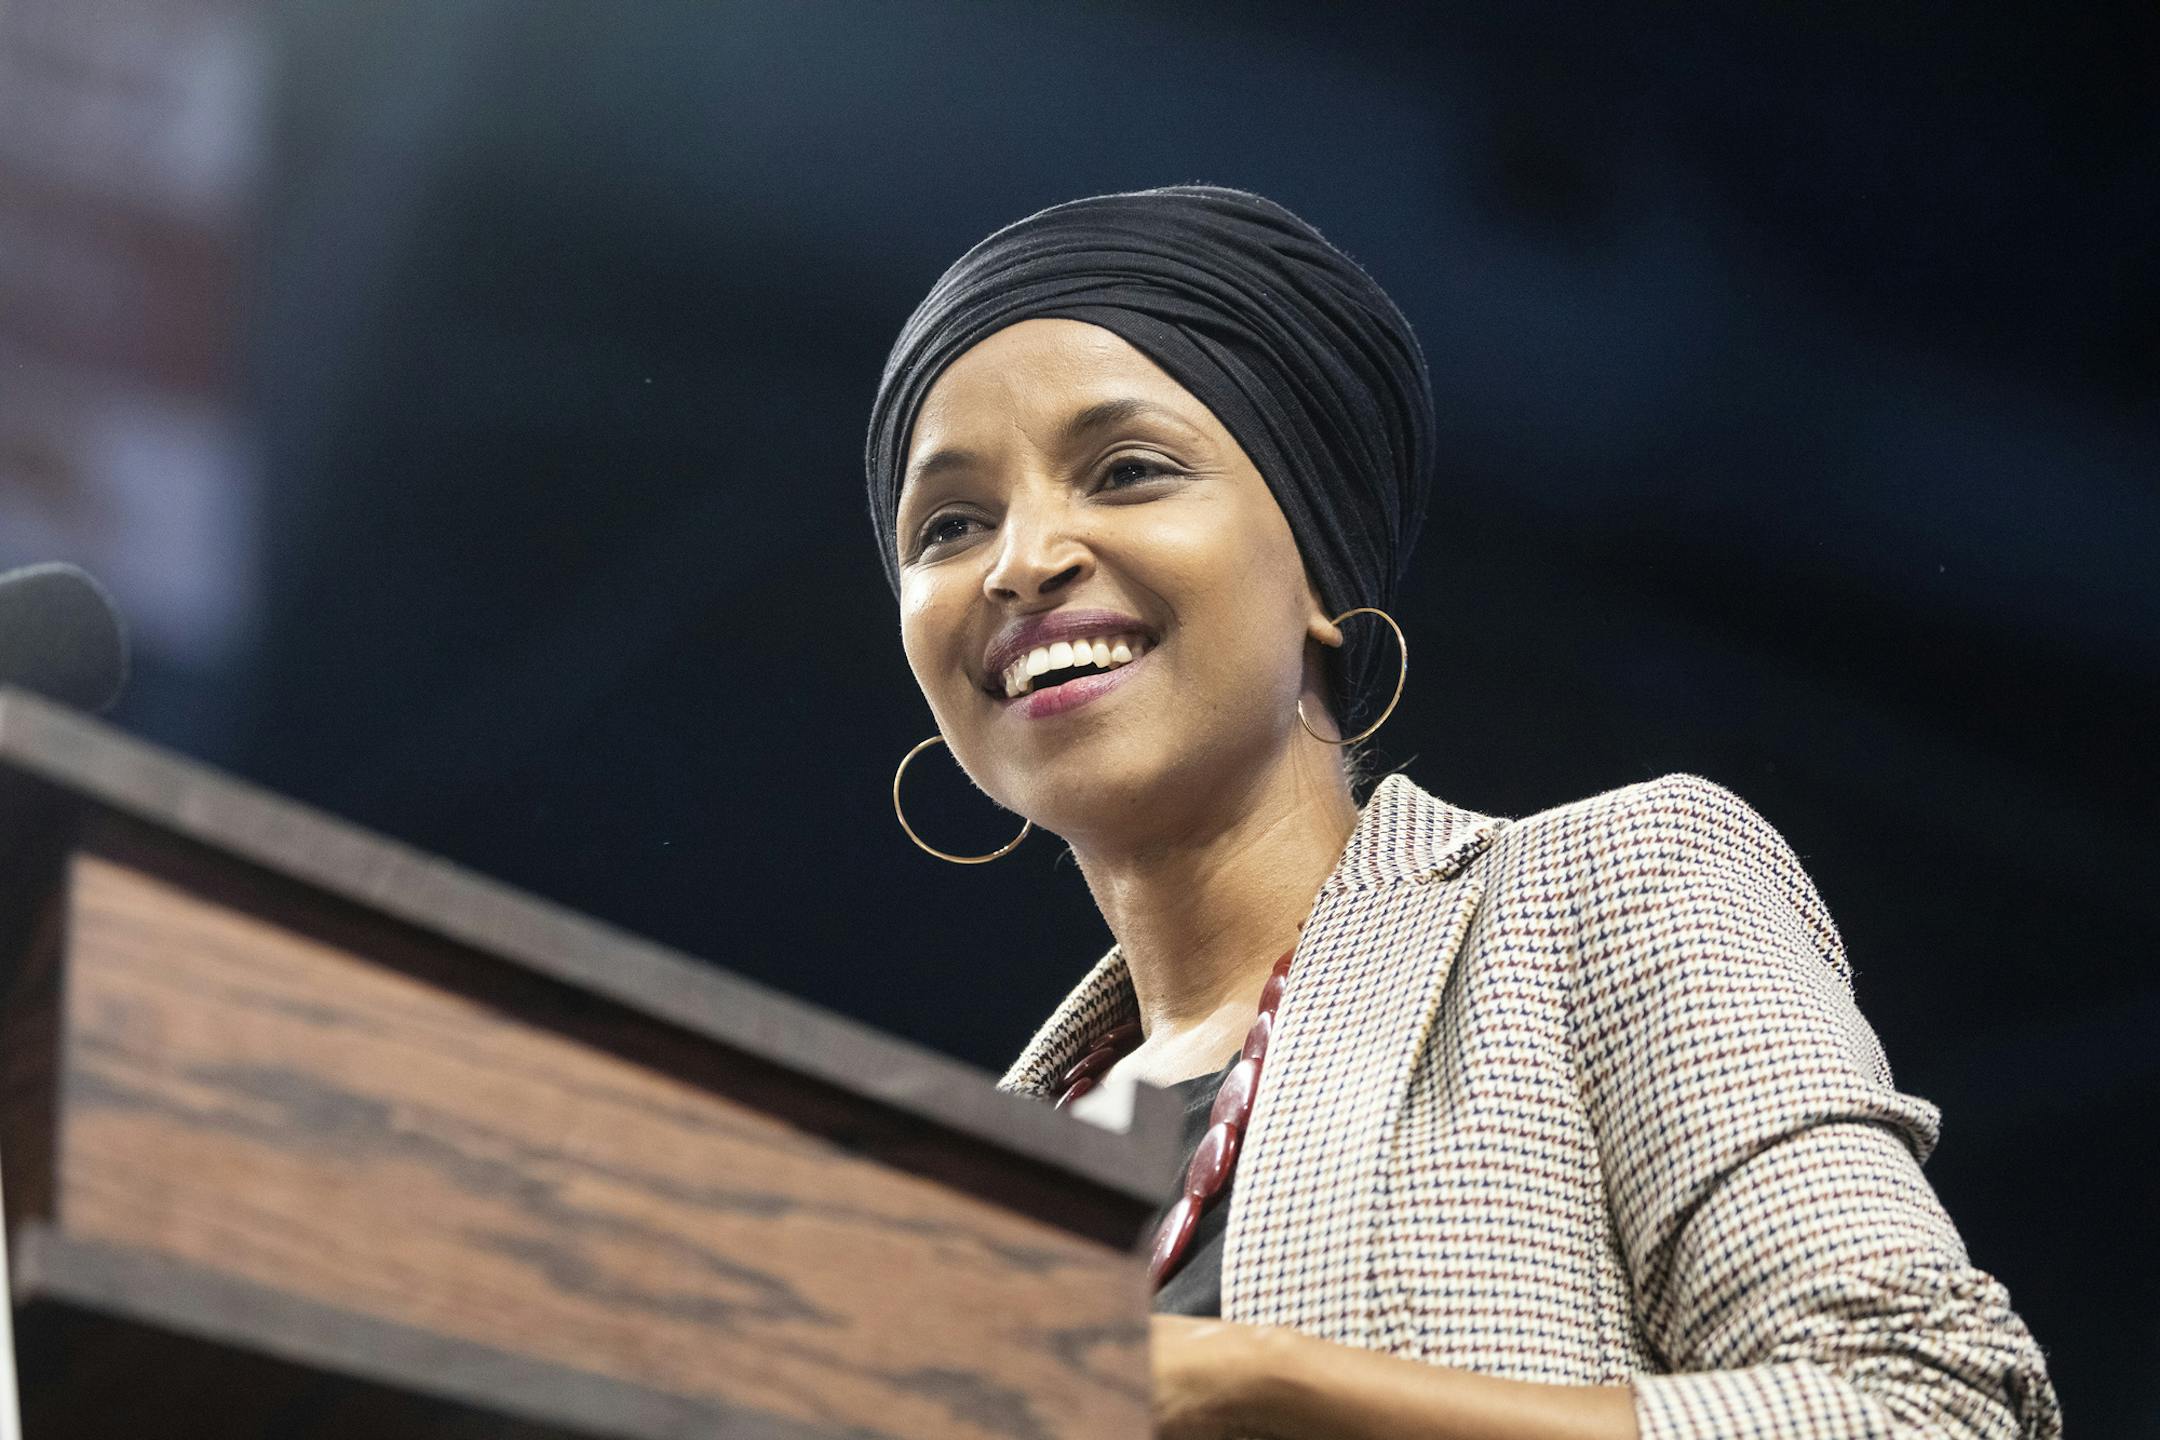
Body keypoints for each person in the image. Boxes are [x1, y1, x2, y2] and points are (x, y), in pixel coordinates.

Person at [864, 184, 2060, 1440]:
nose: (1019, 560)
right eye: (950, 525)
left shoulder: (1604, 892)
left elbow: (1931, 1410)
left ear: (1319, 568)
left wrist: (1262, 1388)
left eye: (1128, 472)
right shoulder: (953, 1192)